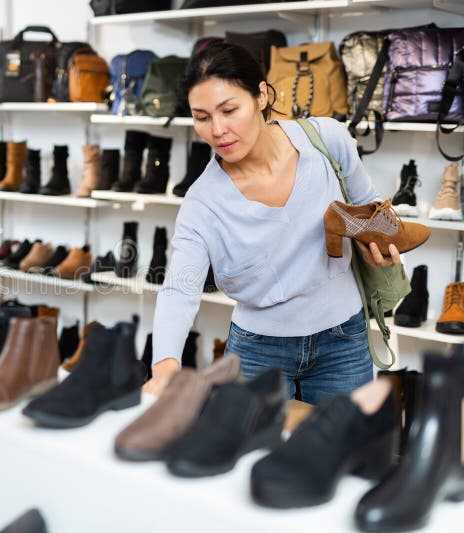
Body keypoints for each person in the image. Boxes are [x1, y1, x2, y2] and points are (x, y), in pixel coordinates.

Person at [144, 43, 401, 402]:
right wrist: (166, 364)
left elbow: (369, 212)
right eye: (202, 117)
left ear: (261, 96)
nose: (218, 130)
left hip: (343, 341)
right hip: (257, 352)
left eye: (229, 109)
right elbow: (180, 288)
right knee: (252, 455)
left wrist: (379, 246)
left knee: (340, 455)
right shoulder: (203, 201)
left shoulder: (326, 141)